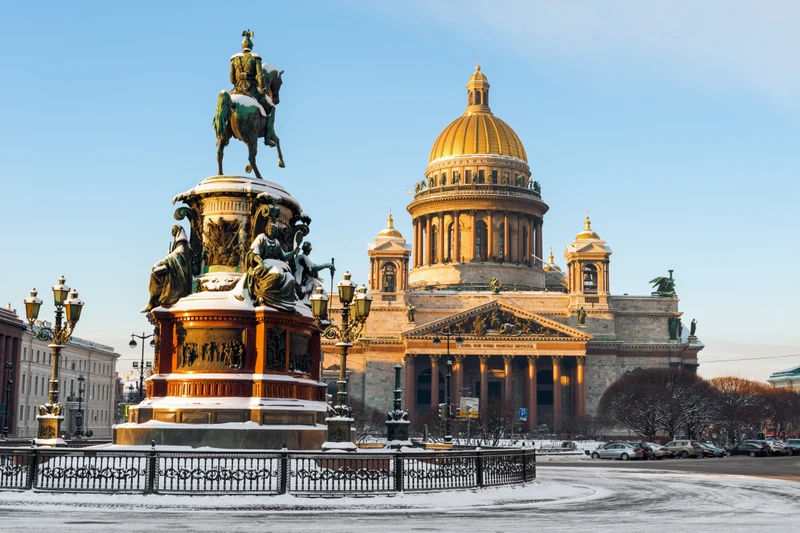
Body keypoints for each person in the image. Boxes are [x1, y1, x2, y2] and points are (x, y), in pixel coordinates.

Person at [244, 209, 300, 312]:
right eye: (270, 228)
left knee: (291, 279)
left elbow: (284, 256)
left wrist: (294, 252)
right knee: (277, 274)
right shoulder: (262, 238)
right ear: (267, 229)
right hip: (264, 265)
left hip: (276, 264)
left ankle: (285, 304)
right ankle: (263, 296)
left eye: (274, 229)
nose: (272, 230)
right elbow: (253, 253)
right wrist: (260, 262)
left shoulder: (276, 242)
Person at [230, 30, 272, 144]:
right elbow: (260, 75)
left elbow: (232, 79)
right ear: (251, 47)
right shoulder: (255, 58)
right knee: (269, 108)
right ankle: (268, 138)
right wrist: (262, 89)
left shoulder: (234, 59)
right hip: (251, 88)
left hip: (237, 89)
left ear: (242, 46)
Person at [142, 225, 191, 312]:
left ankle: (157, 299)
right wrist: (170, 255)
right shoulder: (177, 244)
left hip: (178, 273)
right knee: (154, 274)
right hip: (173, 269)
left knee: (158, 274)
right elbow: (174, 255)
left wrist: (167, 258)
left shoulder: (182, 243)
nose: (173, 233)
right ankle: (154, 300)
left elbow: (178, 255)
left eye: (174, 231)